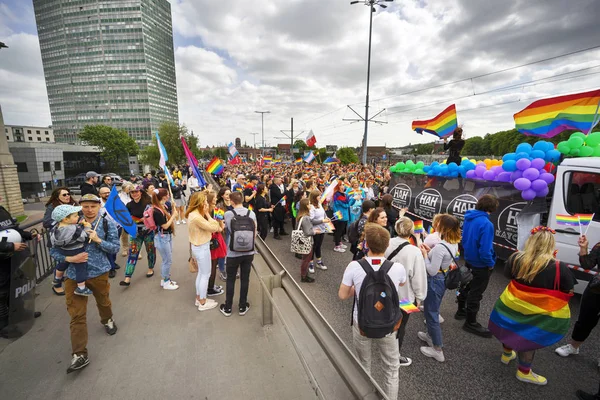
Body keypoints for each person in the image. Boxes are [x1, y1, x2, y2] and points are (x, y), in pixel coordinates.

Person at [488, 227, 574, 385]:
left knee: (509, 328)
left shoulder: (515, 258)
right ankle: (524, 372)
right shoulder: (558, 267)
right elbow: (568, 289)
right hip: (539, 312)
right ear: (551, 244)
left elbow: (508, 275)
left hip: (512, 304)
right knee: (529, 338)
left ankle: (507, 354)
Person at [49, 193, 119, 373]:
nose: (88, 210)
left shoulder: (105, 223)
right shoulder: (68, 224)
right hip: (73, 276)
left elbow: (115, 247)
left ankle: (107, 319)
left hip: (99, 272)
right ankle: (79, 354)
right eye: (85, 206)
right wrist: (70, 258)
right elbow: (54, 251)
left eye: (92, 206)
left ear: (98, 207)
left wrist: (98, 240)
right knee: (76, 315)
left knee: (103, 301)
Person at [338, 223, 406, 400]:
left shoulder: (354, 266)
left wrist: (356, 289)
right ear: (386, 245)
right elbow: (402, 284)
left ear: (366, 244)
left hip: (362, 323)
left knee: (363, 365)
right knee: (391, 369)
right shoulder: (397, 267)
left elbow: (342, 295)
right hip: (389, 325)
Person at [417, 214, 461, 363]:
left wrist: (424, 254)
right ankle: (430, 336)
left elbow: (431, 270)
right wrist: (430, 252)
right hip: (442, 278)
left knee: (431, 313)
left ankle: (437, 349)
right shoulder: (453, 243)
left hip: (435, 281)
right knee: (432, 309)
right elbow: (442, 262)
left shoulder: (441, 247)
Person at [384, 217, 427, 367]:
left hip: (385, 292)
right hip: (405, 296)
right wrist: (420, 296)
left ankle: (383, 346)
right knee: (400, 326)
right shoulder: (414, 251)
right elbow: (419, 277)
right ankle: (395, 356)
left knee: (385, 318)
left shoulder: (386, 243)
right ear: (411, 232)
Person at [457, 194, 498, 337]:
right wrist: (490, 264)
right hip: (480, 264)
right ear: (492, 208)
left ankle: (460, 310)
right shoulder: (487, 224)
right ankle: (471, 323)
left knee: (466, 286)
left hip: (469, 259)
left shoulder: (470, 218)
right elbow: (485, 249)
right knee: (476, 293)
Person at [555, 234, 600, 360]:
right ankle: (573, 347)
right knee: (585, 320)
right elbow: (587, 264)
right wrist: (583, 249)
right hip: (596, 290)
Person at [220, 191, 257, 317]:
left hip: (233, 252)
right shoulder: (251, 213)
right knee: (245, 278)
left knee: (230, 279)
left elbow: (226, 230)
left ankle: (228, 307)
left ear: (232, 201)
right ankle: (242, 306)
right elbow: (255, 232)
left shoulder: (228, 214)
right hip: (249, 251)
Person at [0, 196, 33, 334]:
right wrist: (9, 246)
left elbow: (12, 228)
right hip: (2, 258)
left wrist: (27, 235)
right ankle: (3, 324)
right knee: (2, 292)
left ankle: (19, 312)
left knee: (16, 284)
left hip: (11, 258)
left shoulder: (1, 210)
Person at [187, 191, 222, 311]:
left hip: (198, 246)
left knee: (201, 274)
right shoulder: (197, 217)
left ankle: (199, 298)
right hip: (202, 247)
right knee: (205, 274)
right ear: (200, 203)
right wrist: (207, 214)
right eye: (205, 201)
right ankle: (202, 302)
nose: (207, 203)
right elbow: (214, 227)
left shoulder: (192, 214)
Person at [50, 205, 93, 296]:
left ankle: (57, 278)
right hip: (77, 250)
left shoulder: (55, 228)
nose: (78, 217)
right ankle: (81, 288)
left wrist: (78, 225)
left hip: (64, 250)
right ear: (65, 219)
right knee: (81, 268)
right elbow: (84, 236)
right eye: (75, 216)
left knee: (62, 264)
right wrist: (87, 227)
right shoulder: (74, 229)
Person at [43, 187, 79, 295]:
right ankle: (56, 284)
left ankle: (78, 282)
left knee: (74, 260)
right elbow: (46, 223)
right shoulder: (52, 207)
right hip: (59, 239)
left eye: (68, 194)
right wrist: (63, 219)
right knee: (63, 262)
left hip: (73, 238)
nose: (67, 196)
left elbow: (80, 216)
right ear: (57, 197)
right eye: (64, 195)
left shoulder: (73, 204)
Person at [120, 186, 155, 286]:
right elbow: (127, 219)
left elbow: (153, 215)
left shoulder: (148, 203)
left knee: (150, 251)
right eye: (132, 192)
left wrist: (147, 219)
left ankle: (150, 268)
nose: (134, 194)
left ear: (140, 192)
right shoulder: (129, 205)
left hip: (148, 231)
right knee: (132, 254)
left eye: (136, 192)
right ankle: (127, 277)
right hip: (135, 233)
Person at [151, 188, 179, 290]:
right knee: (167, 260)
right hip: (162, 237)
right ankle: (166, 282)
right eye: (167, 194)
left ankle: (164, 279)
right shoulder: (156, 211)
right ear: (163, 196)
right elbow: (165, 226)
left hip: (166, 236)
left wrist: (173, 208)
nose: (168, 196)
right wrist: (173, 216)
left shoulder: (163, 206)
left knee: (166, 259)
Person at [98, 186, 121, 278]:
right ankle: (111, 268)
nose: (107, 194)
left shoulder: (115, 201)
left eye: (108, 192)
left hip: (117, 227)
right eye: (104, 193)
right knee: (108, 248)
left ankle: (113, 262)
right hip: (104, 229)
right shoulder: (97, 204)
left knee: (115, 246)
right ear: (100, 194)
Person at [206, 190, 225, 296]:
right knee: (213, 265)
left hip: (209, 239)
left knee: (211, 265)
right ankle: (210, 288)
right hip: (214, 240)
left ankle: (211, 286)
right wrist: (221, 224)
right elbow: (219, 228)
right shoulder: (215, 210)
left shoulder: (205, 211)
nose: (216, 199)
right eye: (214, 198)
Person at [296, 199, 316, 283]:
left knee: (305, 258)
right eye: (309, 204)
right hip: (307, 242)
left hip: (302, 241)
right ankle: (304, 276)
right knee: (306, 259)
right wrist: (315, 231)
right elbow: (308, 232)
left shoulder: (301, 215)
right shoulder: (306, 218)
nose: (311, 205)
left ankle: (304, 274)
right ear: (306, 206)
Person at [308, 190, 328, 273]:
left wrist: (327, 218)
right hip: (315, 230)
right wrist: (322, 221)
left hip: (322, 229)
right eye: (319, 196)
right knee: (313, 246)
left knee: (319, 245)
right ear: (314, 197)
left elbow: (324, 214)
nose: (320, 197)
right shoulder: (311, 207)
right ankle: (311, 262)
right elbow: (311, 220)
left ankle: (319, 262)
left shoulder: (319, 204)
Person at [216, 187, 233, 281]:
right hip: (224, 232)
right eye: (226, 194)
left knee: (231, 250)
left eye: (229, 194)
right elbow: (218, 220)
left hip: (233, 230)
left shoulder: (234, 203)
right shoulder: (220, 206)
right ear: (222, 195)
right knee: (223, 251)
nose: (228, 196)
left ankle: (230, 267)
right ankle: (222, 270)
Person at [332, 181, 350, 253]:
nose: (343, 186)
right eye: (341, 185)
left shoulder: (343, 194)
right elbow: (346, 205)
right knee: (338, 231)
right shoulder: (337, 195)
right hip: (340, 214)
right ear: (338, 186)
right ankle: (337, 246)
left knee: (342, 230)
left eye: (343, 185)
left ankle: (339, 242)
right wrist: (353, 199)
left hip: (344, 214)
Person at [118, 183, 133, 257]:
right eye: (128, 188)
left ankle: (134, 249)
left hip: (133, 216)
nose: (129, 189)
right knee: (124, 234)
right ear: (124, 188)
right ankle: (125, 248)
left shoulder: (133, 195)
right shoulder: (119, 196)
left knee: (133, 233)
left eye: (130, 188)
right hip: (123, 217)